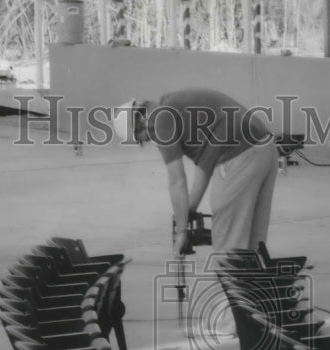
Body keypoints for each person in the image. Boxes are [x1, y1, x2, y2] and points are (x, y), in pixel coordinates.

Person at [113, 89, 278, 255]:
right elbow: (204, 167)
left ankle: (232, 270)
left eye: (143, 138)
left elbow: (177, 182)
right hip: (265, 148)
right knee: (252, 249)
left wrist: (181, 233)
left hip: (240, 155)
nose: (149, 140)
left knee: (228, 251)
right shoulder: (176, 104)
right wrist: (189, 209)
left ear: (140, 122)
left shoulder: (161, 120)